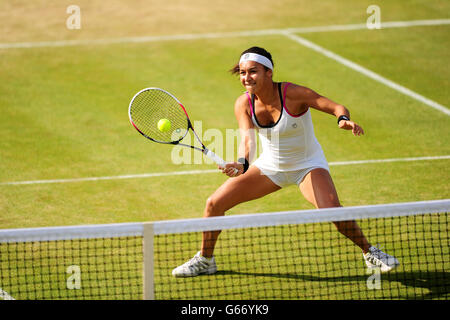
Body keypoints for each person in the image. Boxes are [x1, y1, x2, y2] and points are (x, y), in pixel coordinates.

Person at [172, 46, 399, 277]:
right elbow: (247, 141)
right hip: (270, 167)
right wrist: (242, 163)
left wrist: (343, 119)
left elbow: (336, 107)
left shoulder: (293, 93)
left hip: (307, 165)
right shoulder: (243, 103)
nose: (246, 78)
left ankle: (370, 252)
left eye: (253, 71)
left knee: (332, 211)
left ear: (269, 72)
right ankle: (205, 260)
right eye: (242, 73)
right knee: (214, 204)